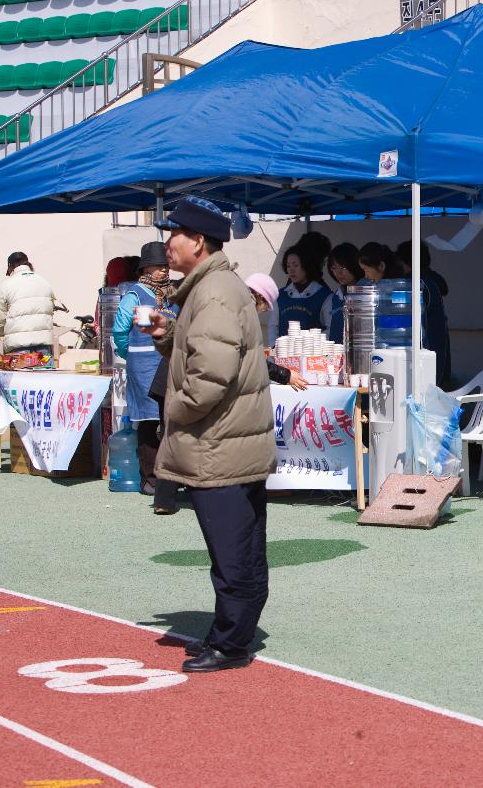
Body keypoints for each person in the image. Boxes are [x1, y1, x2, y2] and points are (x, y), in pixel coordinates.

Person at [140, 197, 276, 673]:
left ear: (197, 241)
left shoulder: (214, 289)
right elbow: (202, 350)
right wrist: (167, 335)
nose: (166, 243)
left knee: (231, 551)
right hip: (228, 442)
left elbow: (211, 374)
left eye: (173, 234)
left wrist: (175, 409)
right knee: (238, 548)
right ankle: (229, 633)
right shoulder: (211, 287)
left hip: (220, 444)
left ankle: (232, 643)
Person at [111, 242, 178, 496]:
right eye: (158, 265)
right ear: (145, 267)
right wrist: (131, 353)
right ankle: (149, 479)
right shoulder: (134, 295)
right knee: (149, 421)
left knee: (172, 420)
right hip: (143, 365)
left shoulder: (175, 292)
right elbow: (119, 331)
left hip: (171, 362)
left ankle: (172, 477)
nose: (163, 269)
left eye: (165, 264)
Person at [397, 240, 451, 386]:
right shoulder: (433, 280)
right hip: (440, 345)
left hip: (425, 349)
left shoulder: (416, 284)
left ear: (407, 262)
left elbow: (399, 311)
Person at [244, 273, 310, 392]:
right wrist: (286, 375)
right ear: (260, 297)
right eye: (265, 308)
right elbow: (251, 361)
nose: (263, 311)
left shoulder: (237, 311)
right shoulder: (242, 319)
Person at [0, 252, 61, 356]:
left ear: (10, 266)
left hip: (17, 345)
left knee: (20, 372)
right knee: (43, 372)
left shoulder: (4, 286)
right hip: (43, 345)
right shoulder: (44, 282)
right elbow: (50, 309)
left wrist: (0, 337)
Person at [272, 245, 330, 339]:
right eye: (288, 266)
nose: (291, 270)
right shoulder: (280, 296)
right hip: (284, 352)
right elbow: (273, 327)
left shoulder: (324, 296)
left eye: (295, 265)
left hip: (314, 352)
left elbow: (331, 328)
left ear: (306, 266)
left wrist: (311, 342)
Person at [325, 243, 362, 344]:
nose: (338, 273)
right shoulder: (336, 296)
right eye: (334, 268)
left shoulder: (365, 294)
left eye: (342, 267)